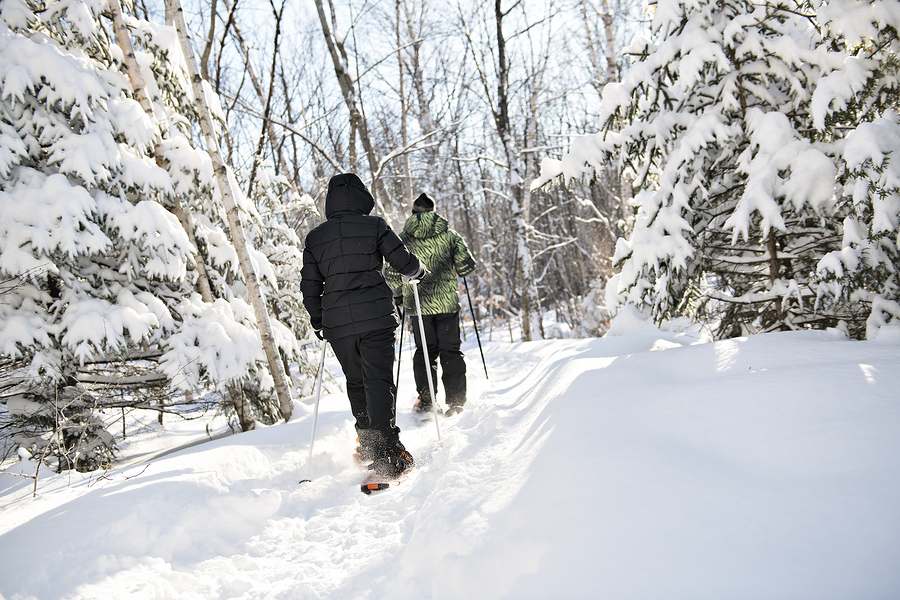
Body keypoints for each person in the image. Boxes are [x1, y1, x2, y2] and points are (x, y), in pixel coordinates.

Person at [300, 173, 425, 478]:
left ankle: (369, 446)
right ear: (361, 197)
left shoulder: (316, 238)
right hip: (376, 319)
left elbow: (309, 287)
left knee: (357, 381)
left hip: (338, 324)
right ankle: (387, 453)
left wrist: (319, 320)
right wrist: (418, 270)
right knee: (378, 381)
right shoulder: (375, 226)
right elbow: (404, 263)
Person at [386, 193, 476, 416]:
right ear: (433, 211)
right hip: (446, 304)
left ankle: (427, 401)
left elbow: (391, 275)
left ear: (413, 213)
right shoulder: (450, 235)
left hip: (418, 306)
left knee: (425, 352)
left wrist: (399, 295)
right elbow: (466, 267)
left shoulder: (403, 240)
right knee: (451, 351)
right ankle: (455, 402)